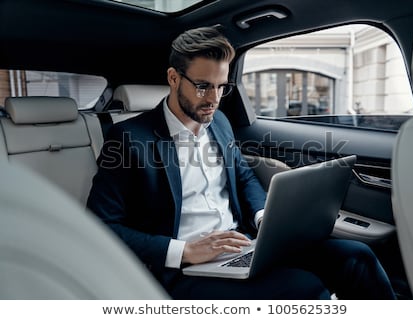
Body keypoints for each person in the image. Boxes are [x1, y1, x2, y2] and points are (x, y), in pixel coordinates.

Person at [87, 26, 396, 300]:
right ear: (173, 78)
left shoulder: (219, 122)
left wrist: (264, 217)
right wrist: (185, 251)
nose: (214, 98)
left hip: (244, 246)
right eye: (203, 86)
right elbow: (100, 226)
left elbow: (244, 177)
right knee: (304, 289)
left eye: (222, 87)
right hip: (181, 270)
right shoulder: (128, 138)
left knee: (357, 257)